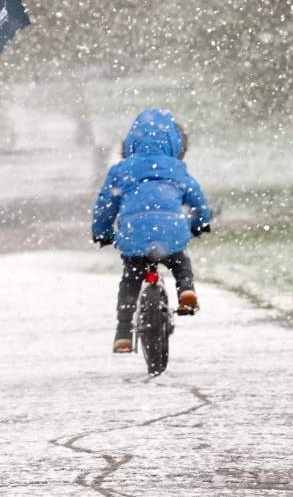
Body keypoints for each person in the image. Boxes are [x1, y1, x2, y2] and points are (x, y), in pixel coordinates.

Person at [91, 108, 212, 353]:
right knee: (180, 262)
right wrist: (200, 223)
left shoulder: (121, 170)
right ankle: (186, 289)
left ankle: (123, 332)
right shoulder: (177, 169)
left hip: (134, 234)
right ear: (174, 144)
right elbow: (198, 201)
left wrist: (102, 231)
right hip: (171, 232)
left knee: (131, 279)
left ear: (131, 144)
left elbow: (105, 205)